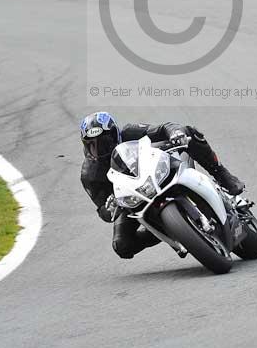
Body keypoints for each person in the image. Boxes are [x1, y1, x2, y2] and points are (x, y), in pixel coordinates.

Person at [80, 111, 245, 259]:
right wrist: (110, 209)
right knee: (122, 245)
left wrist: (175, 133)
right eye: (92, 145)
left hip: (157, 172)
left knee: (188, 132)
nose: (99, 148)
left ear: (116, 134)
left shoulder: (129, 132)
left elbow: (163, 128)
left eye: (104, 141)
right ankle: (174, 232)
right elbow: (102, 210)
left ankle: (222, 174)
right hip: (132, 201)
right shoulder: (90, 175)